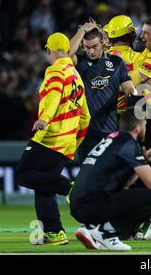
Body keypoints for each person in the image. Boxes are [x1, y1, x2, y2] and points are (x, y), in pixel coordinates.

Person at [16, 32, 90, 245]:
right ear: (67, 51)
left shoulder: (55, 70)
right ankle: (54, 231)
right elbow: (86, 117)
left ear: (49, 51)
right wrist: (74, 144)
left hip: (49, 138)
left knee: (24, 174)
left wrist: (45, 119)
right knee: (43, 185)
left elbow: (55, 94)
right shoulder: (77, 77)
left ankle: (70, 188)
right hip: (65, 142)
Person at [69, 107, 151, 251]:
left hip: (80, 204)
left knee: (129, 195)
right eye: (144, 124)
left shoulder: (113, 139)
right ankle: (106, 232)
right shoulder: (129, 144)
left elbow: (125, 184)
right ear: (138, 127)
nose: (145, 127)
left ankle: (93, 227)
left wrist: (143, 160)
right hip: (91, 204)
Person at [69, 21, 136, 162]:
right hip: (85, 131)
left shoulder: (117, 62)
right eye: (87, 48)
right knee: (87, 174)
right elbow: (67, 53)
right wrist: (82, 30)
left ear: (103, 44)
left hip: (110, 128)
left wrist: (133, 98)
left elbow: (129, 88)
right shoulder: (79, 62)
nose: (91, 51)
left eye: (95, 47)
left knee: (108, 174)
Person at [103, 15, 146, 114]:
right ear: (132, 35)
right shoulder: (138, 58)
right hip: (128, 114)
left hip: (104, 114)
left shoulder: (101, 57)